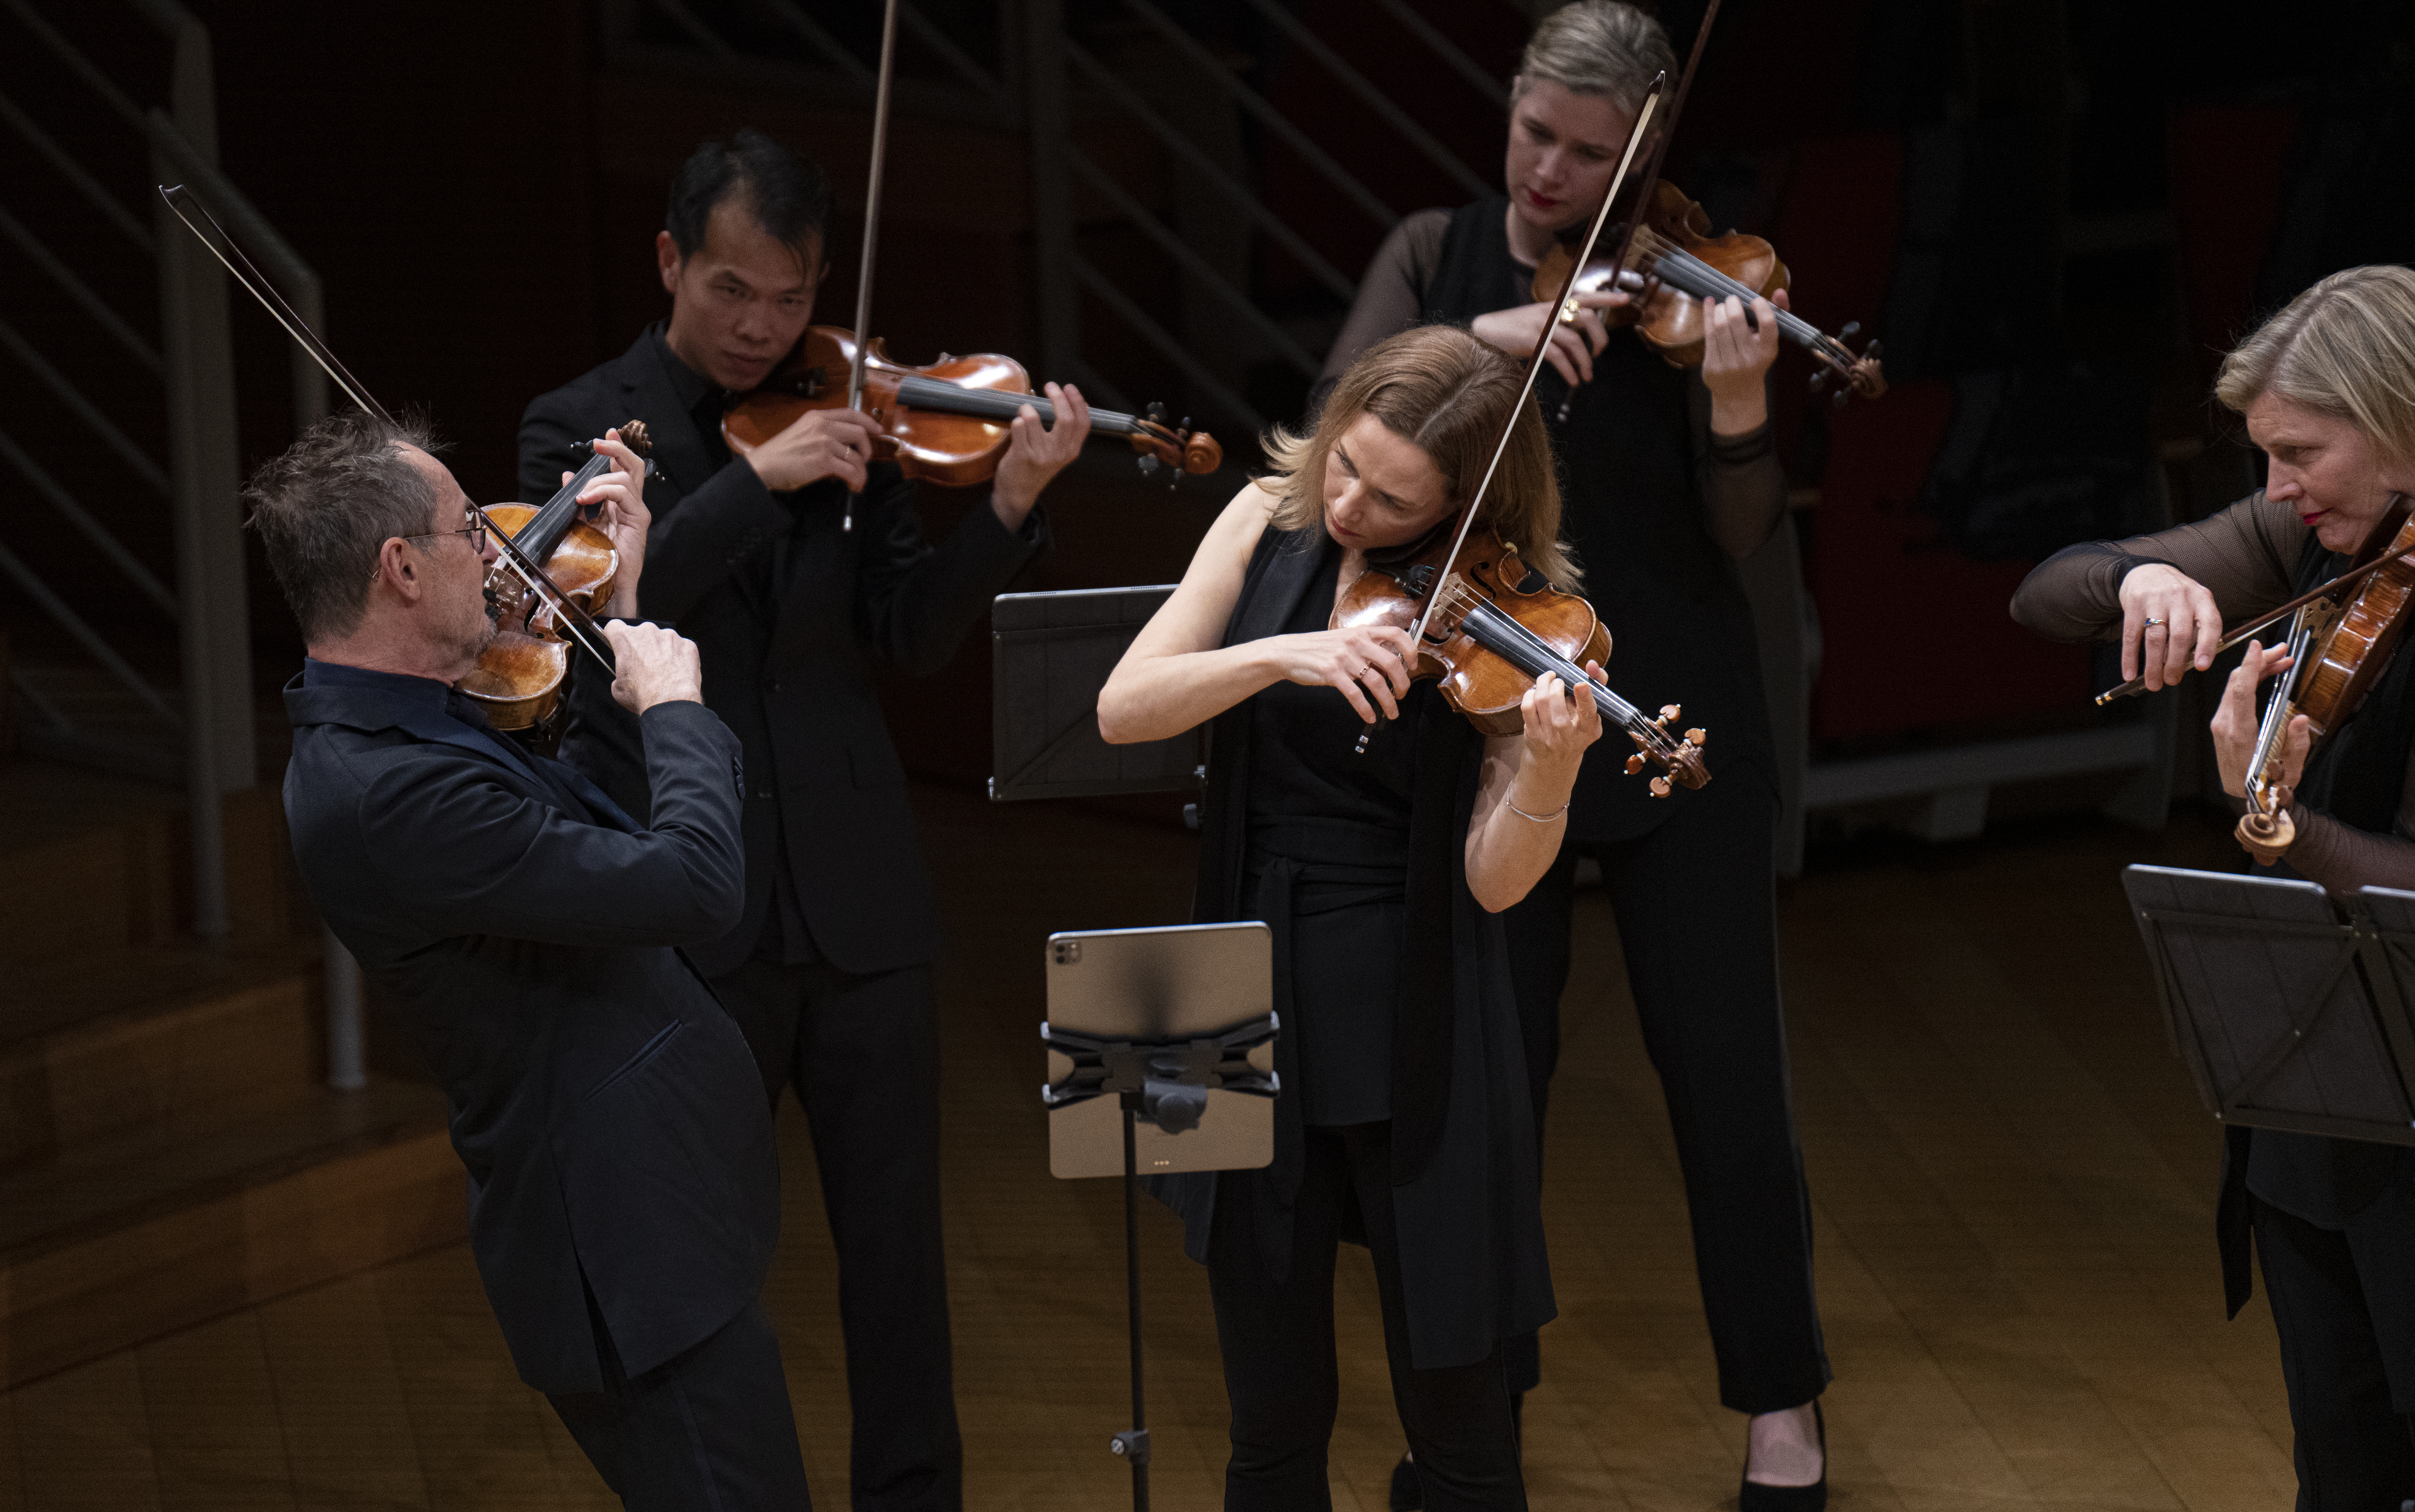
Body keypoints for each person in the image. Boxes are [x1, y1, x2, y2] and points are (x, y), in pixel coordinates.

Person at [519, 128, 1088, 1512]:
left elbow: (908, 636)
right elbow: (604, 640)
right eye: (732, 291)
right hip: (692, 902)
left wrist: (1005, 508)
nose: (763, 327)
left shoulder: (852, 422)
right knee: (704, 1257)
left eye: (790, 297)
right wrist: (752, 490)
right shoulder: (579, 426)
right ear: (670, 261)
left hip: (860, 905)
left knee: (897, 1258)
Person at [1313, 4, 1828, 1502]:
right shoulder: (1433, 256)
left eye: (1588, 152)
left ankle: (1781, 1410)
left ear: (1645, 151)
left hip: (1670, 709)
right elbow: (1338, 431)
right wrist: (1489, 343)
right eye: (1534, 130)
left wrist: (1736, 408)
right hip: (1486, 722)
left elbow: (1738, 545)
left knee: (1729, 1073)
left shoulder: (1688, 289)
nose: (1547, 170)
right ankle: (1484, 1415)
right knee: (1489, 1082)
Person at [261, 411, 809, 1508]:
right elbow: (693, 884)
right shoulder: (390, 795)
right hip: (622, 1246)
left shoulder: (421, 715)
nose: (504, 549)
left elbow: (578, 823)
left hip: (659, 1213)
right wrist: (681, 712)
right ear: (402, 568)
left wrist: (622, 616)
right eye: (471, 527)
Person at [1098, 324, 1601, 1510]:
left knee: (1464, 1420)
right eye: (1348, 468)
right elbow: (1125, 707)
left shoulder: (1510, 615)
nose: (1350, 506)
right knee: (1267, 1419)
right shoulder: (1264, 517)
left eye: (1392, 498)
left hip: (1415, 987)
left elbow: (1494, 884)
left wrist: (1550, 770)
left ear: (1466, 501)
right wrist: (1288, 654)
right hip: (1226, 962)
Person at [2012, 264, 2415, 1510]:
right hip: (2320, 1083)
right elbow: (2046, 593)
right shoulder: (2319, 534)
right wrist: (2141, 580)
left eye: (2302, 451)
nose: (2278, 489)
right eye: (2265, 457)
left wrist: (2281, 829)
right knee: (2338, 1464)